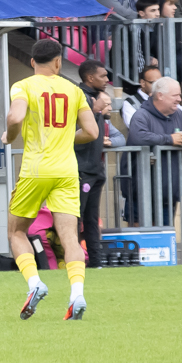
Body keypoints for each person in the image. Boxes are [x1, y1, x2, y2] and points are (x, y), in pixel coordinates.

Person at [4, 38, 98, 320]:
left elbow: (15, 117)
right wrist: (67, 137)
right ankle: (77, 293)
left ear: (33, 61)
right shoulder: (74, 90)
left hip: (36, 169)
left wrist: (8, 137)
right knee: (70, 237)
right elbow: (92, 132)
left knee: (16, 232)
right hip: (66, 171)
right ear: (58, 62)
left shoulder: (23, 86)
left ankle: (35, 283)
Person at [126, 77, 182, 230]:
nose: (179, 99)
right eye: (175, 95)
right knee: (141, 231)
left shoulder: (179, 115)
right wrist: (169, 139)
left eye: (180, 95)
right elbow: (138, 136)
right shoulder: (141, 115)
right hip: (140, 189)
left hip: (168, 190)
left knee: (165, 231)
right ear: (160, 95)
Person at [74, 59, 114, 263]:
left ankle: (96, 263)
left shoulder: (95, 98)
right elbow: (73, 131)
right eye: (103, 76)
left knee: (92, 218)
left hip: (95, 169)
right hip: (82, 170)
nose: (107, 79)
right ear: (90, 78)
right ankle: (73, 261)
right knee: (76, 217)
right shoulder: (78, 97)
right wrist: (95, 110)